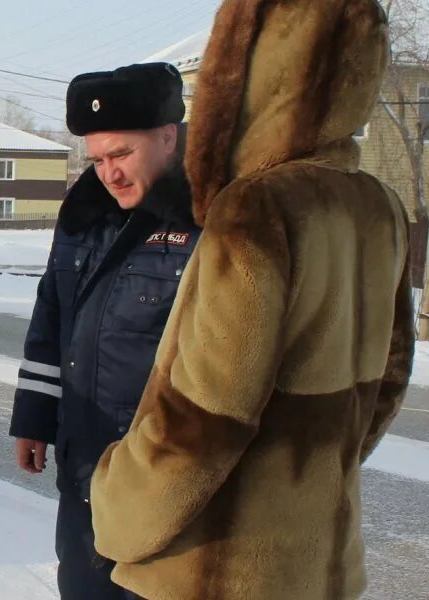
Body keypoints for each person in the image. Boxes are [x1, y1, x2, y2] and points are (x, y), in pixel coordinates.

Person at [89, 1, 414, 599]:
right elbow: (387, 384)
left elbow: (205, 419)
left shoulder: (258, 207)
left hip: (216, 569)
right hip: (318, 562)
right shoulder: (379, 206)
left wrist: (115, 504)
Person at [9, 63, 199, 600]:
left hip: (162, 488)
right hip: (84, 477)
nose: (108, 174)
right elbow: (52, 319)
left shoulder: (209, 219)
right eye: (96, 160)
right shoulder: (83, 216)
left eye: (121, 155)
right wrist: (35, 416)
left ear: (168, 137)